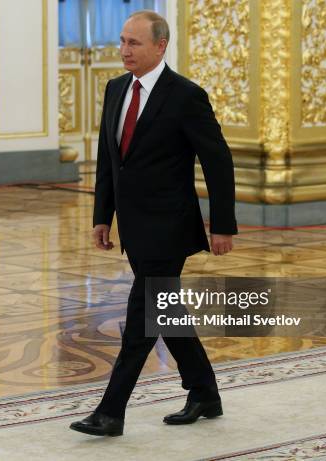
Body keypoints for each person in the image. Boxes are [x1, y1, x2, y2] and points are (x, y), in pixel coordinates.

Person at [69, 10, 237, 437]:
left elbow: (217, 161)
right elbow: (111, 160)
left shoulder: (186, 96)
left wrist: (222, 225)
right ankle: (204, 392)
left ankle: (111, 411)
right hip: (134, 228)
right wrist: (101, 216)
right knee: (165, 311)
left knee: (142, 316)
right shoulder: (115, 89)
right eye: (123, 41)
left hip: (169, 227)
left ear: (161, 46)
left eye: (134, 43)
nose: (124, 50)